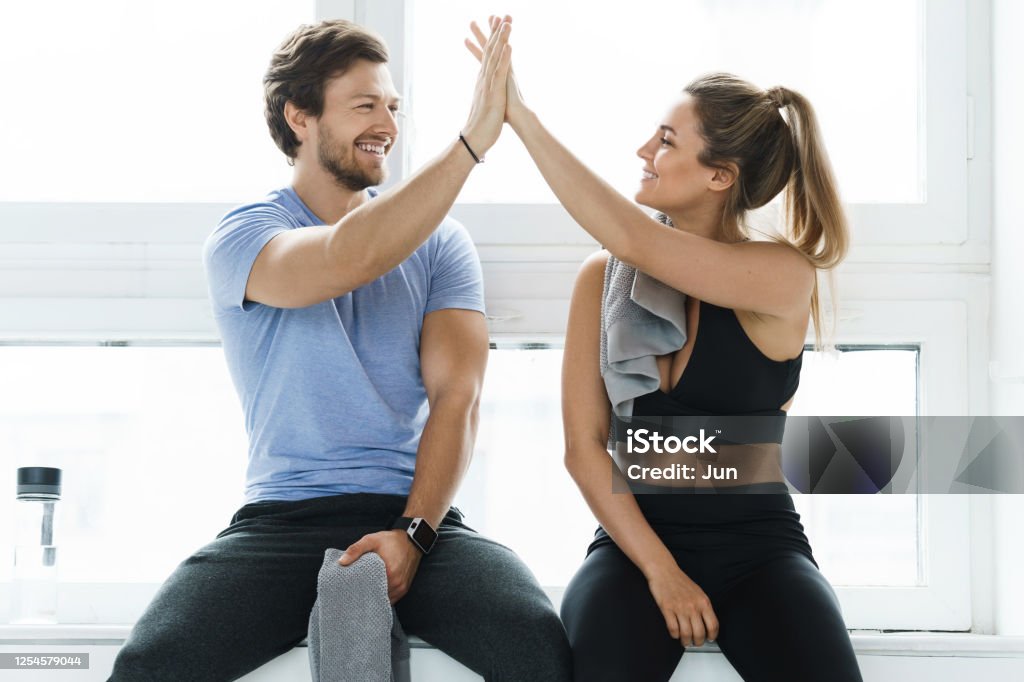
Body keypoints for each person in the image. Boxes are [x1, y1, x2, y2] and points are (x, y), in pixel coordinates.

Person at [108, 18, 572, 682]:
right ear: (300, 117)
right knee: (151, 663)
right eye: (365, 105)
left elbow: (457, 398)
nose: (387, 121)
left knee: (536, 646)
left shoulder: (443, 245)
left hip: (416, 514)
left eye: (393, 106)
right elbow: (346, 257)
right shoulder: (245, 236)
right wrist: (472, 143)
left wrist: (414, 534)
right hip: (282, 520)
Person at [467, 16, 863, 682]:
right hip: (630, 545)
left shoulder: (780, 275)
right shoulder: (602, 277)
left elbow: (637, 240)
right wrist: (661, 572)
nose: (644, 148)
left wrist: (522, 119)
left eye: (668, 140)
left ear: (719, 177)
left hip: (759, 548)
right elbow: (583, 447)